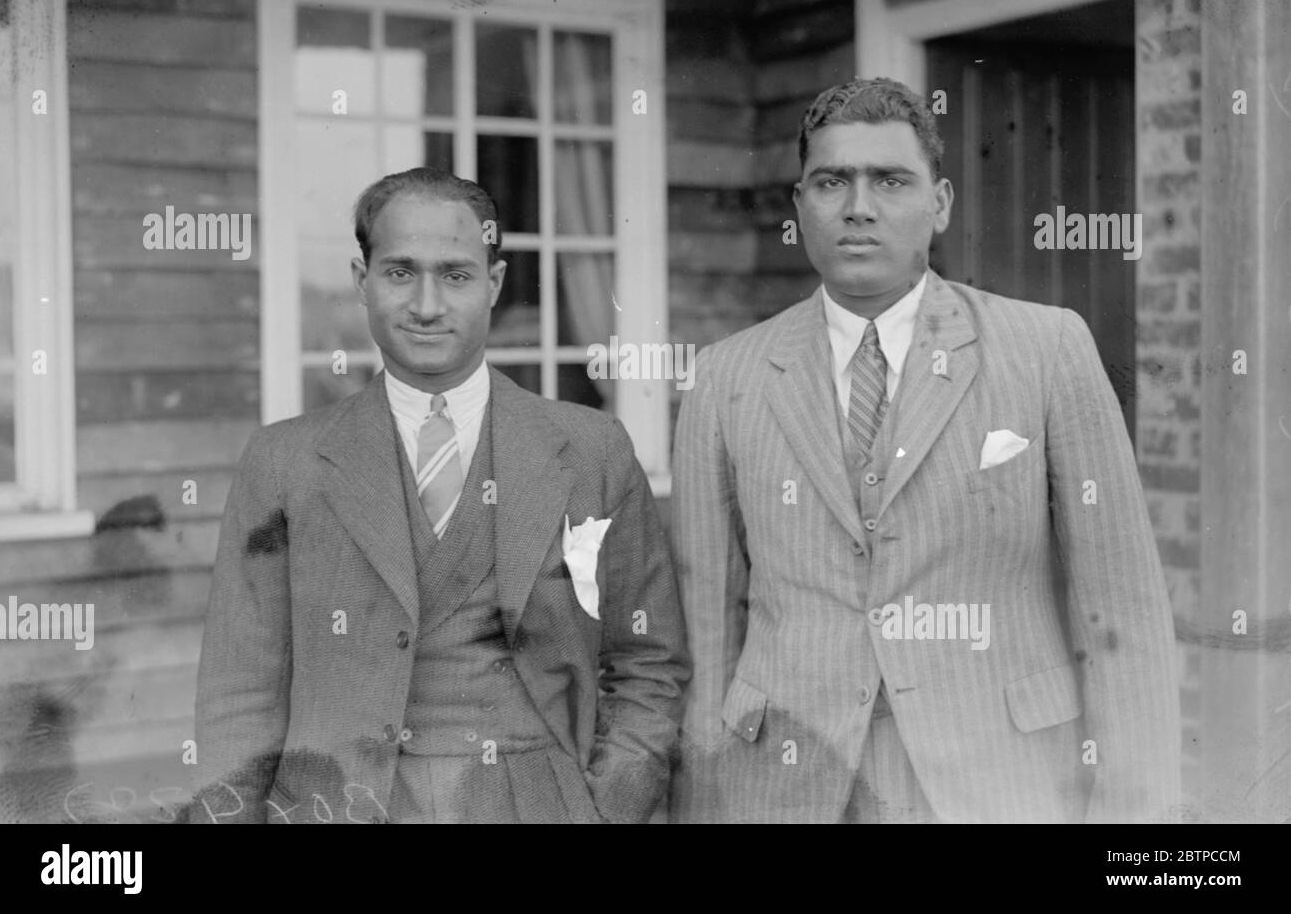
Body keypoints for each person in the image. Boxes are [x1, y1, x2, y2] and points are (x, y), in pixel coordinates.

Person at [668, 77, 1180, 823]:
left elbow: (1123, 612)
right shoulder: (726, 376)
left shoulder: (1047, 348)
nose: (859, 206)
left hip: (996, 782)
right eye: (832, 181)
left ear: (939, 204)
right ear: (800, 204)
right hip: (790, 785)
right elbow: (708, 635)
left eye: (890, 180)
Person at [190, 167, 688, 823]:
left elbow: (648, 659)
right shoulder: (285, 461)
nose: (427, 304)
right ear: (360, 280)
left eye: (455, 274)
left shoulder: (591, 449)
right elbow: (238, 694)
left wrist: (604, 807)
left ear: (495, 283)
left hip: (537, 799)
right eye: (400, 272)